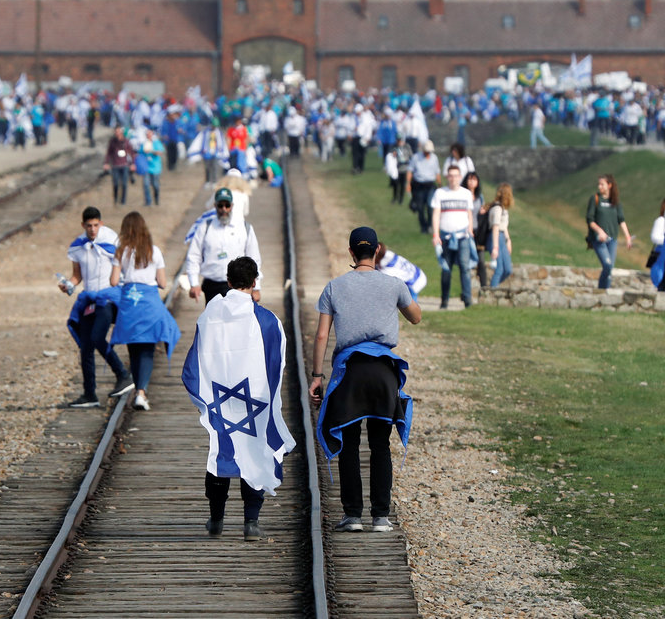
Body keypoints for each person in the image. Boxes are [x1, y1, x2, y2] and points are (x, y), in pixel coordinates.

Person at [310, 227, 421, 533]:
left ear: (350, 252)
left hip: (350, 372)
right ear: (377, 251)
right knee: (380, 444)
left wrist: (317, 376)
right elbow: (416, 316)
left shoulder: (334, 287)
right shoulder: (394, 284)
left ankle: (353, 516)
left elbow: (321, 336)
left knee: (349, 444)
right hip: (383, 372)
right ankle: (381, 517)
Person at [182, 256, 296, 541]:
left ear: (228, 281)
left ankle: (216, 519)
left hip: (219, 396)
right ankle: (251, 522)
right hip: (254, 398)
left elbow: (198, 356)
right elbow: (277, 362)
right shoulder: (268, 321)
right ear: (255, 282)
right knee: (254, 450)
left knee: (220, 450)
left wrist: (204, 394)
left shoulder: (210, 315)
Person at [61, 206, 134, 408]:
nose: (92, 229)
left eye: (95, 225)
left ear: (100, 223)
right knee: (85, 346)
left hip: (108, 298)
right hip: (89, 299)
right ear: (83, 225)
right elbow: (77, 276)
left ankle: (123, 374)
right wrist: (68, 285)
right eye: (89, 226)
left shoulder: (112, 240)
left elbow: (125, 267)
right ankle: (89, 394)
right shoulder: (78, 246)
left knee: (97, 337)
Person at [109, 211, 180, 411]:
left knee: (133, 347)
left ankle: (138, 388)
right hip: (149, 303)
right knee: (147, 349)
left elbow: (113, 281)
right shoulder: (154, 251)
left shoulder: (121, 252)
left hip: (130, 305)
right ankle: (141, 393)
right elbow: (163, 283)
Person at [186, 187, 262, 304]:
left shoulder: (244, 227)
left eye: (227, 205)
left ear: (232, 206)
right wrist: (194, 283)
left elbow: (254, 258)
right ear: (215, 206)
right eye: (220, 206)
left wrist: (256, 287)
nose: (224, 209)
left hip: (239, 287)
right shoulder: (205, 227)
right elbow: (194, 256)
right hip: (212, 286)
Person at [431, 164, 476, 309]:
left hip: (463, 236)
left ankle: (467, 299)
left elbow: (469, 214)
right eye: (451, 175)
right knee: (446, 268)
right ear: (447, 177)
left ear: (460, 177)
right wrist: (436, 234)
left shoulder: (466, 194)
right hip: (446, 237)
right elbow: (436, 214)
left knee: (465, 267)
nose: (453, 178)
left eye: (456, 176)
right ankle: (444, 300)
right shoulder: (440, 193)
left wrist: (470, 230)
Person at [585, 174, 633, 290]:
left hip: (612, 239)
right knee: (607, 264)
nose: (599, 186)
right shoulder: (595, 199)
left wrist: (627, 236)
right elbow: (590, 220)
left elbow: (621, 220)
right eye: (599, 184)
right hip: (598, 239)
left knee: (610, 268)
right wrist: (599, 231)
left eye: (602, 184)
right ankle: (601, 290)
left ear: (609, 185)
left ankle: (604, 292)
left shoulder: (615, 202)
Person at [405, 140, 440, 234]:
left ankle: (430, 225)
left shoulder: (434, 158)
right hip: (419, 186)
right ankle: (423, 226)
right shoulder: (416, 157)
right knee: (420, 208)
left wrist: (439, 184)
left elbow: (437, 172)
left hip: (430, 185)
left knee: (430, 205)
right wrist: (408, 184)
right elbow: (410, 171)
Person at [487, 183, 514, 289]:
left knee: (508, 269)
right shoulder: (497, 208)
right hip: (496, 237)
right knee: (499, 269)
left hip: (502, 237)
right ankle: (492, 291)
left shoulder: (504, 209)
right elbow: (495, 227)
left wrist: (508, 240)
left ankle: (494, 286)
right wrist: (495, 247)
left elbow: (504, 226)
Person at [104, 126, 134, 205]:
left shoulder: (126, 141)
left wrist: (133, 164)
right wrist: (106, 163)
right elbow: (109, 153)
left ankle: (123, 201)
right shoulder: (112, 142)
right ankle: (115, 199)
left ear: (122, 132)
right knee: (116, 183)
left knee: (124, 184)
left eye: (119, 132)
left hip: (125, 165)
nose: (117, 133)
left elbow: (131, 153)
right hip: (115, 165)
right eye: (116, 132)